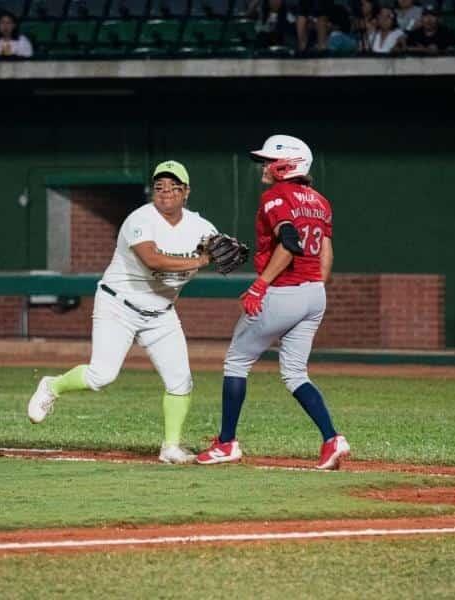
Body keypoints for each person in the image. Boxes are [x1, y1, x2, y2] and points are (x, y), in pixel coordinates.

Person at [27, 162, 222, 465]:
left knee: (181, 381)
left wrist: (224, 251)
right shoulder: (140, 219)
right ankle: (52, 386)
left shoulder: (201, 227)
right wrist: (203, 260)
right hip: (118, 305)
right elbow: (153, 260)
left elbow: (219, 248)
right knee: (101, 376)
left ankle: (170, 447)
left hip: (161, 313)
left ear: (187, 192)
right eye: (160, 186)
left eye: (174, 186)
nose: (166, 191)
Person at [196, 135, 350, 471]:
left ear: (287, 164)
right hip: (314, 292)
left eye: (269, 161)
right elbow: (324, 252)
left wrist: (260, 285)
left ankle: (226, 443)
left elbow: (289, 240)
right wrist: (313, 286)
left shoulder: (276, 196)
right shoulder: (320, 201)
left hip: (283, 291)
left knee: (236, 362)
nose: (264, 167)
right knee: (295, 373)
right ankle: (331, 439)